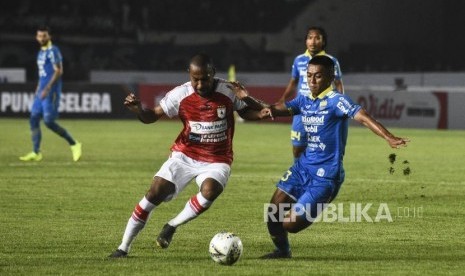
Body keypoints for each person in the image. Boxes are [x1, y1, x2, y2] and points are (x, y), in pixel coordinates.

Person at [109, 53, 271, 258]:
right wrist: (139, 110)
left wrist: (252, 106)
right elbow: (151, 117)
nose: (201, 84)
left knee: (210, 190)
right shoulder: (180, 94)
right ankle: (123, 247)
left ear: (213, 74)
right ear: (189, 75)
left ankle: (172, 226)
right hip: (185, 154)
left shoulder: (228, 90)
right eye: (196, 79)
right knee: (154, 193)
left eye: (205, 78)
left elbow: (247, 111)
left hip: (217, 158)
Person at [259, 55, 410, 258]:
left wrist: (388, 137)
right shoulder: (304, 99)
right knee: (273, 213)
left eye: (318, 76)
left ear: (330, 77)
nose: (311, 81)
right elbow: (274, 110)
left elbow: (363, 117)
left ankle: (312, 207)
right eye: (309, 76)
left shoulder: (337, 101)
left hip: (326, 176)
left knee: (289, 224)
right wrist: (244, 99)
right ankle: (283, 251)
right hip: (303, 167)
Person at [277, 26, 344, 160]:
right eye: (310, 38)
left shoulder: (331, 61)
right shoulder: (299, 60)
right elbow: (293, 82)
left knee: (322, 147)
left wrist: (340, 103)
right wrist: (282, 99)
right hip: (301, 110)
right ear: (306, 41)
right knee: (297, 148)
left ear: (323, 41)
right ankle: (301, 175)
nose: (313, 41)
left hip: (322, 109)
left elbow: (338, 83)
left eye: (317, 38)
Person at [19, 26, 82, 162]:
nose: (42, 38)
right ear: (36, 37)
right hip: (40, 92)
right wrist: (38, 87)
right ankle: (36, 152)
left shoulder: (53, 51)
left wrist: (47, 88)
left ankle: (74, 143)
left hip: (51, 92)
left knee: (48, 122)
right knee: (34, 119)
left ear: (49, 37)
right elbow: (43, 73)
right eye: (40, 36)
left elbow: (58, 71)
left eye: (44, 36)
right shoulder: (40, 53)